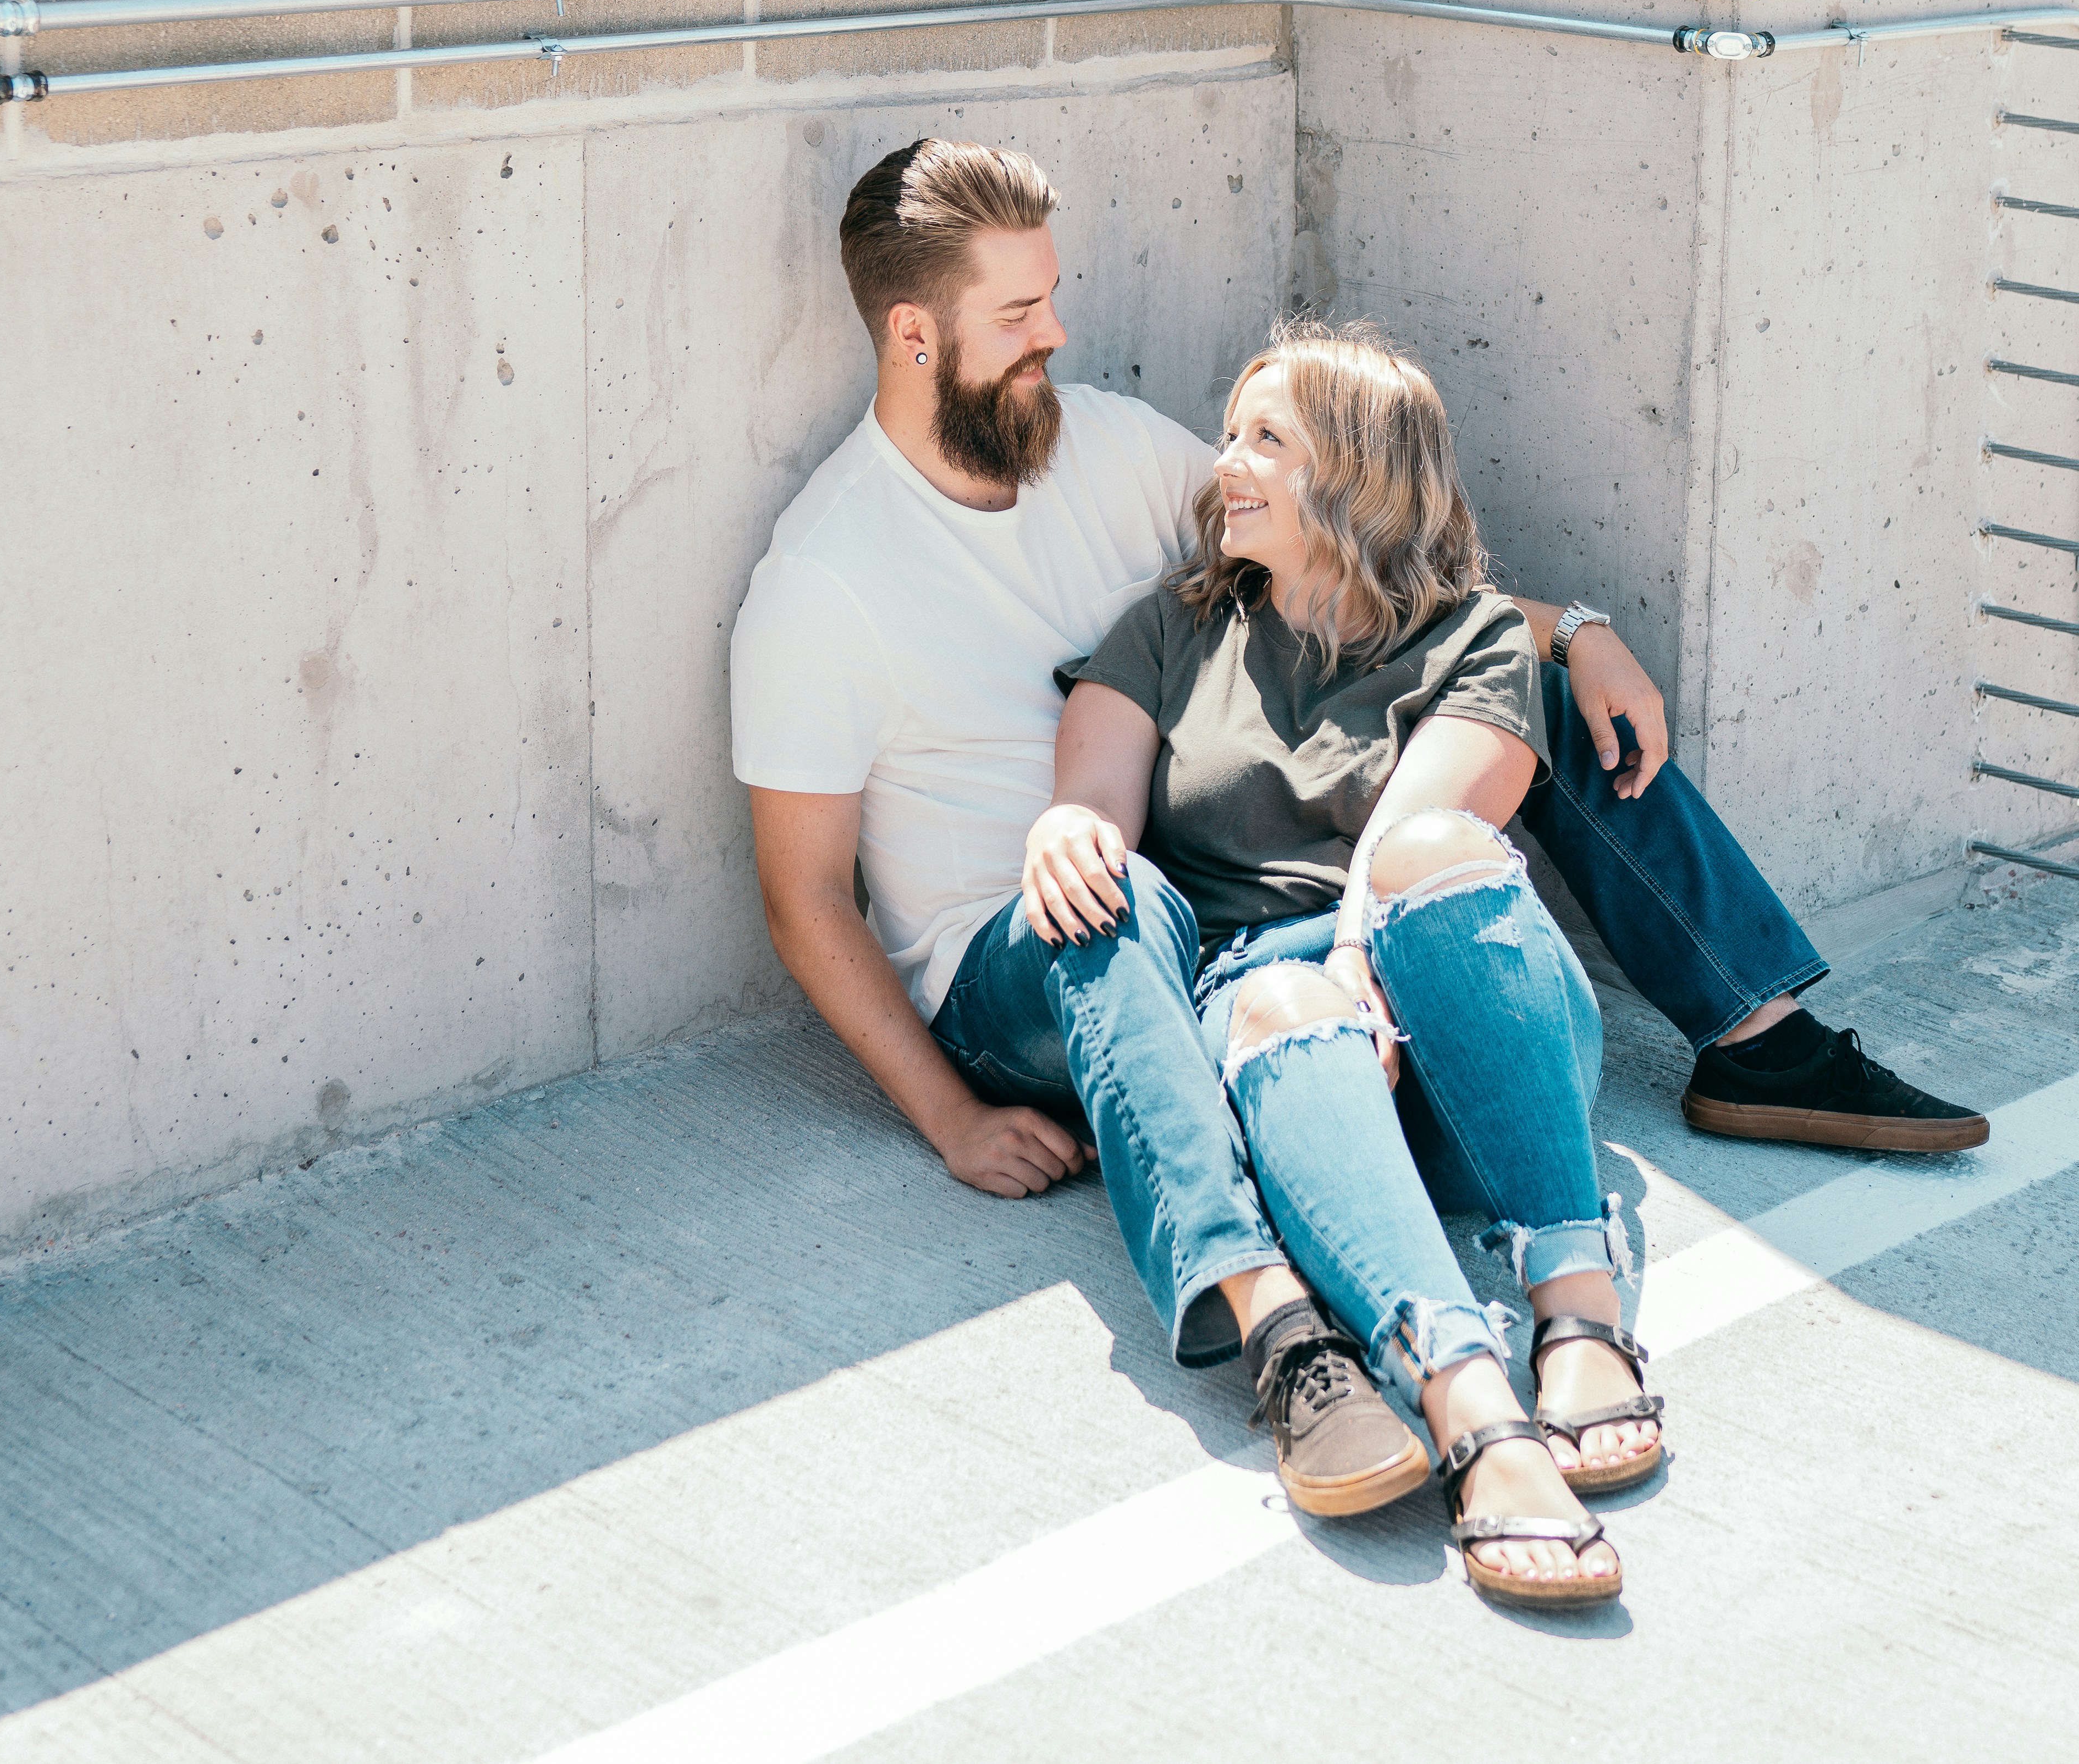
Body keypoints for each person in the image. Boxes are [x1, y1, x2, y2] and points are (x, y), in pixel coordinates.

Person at [731, 151, 1984, 1522]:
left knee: (1523, 692)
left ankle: (1751, 1038)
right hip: (1025, 950)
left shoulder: (1103, 445)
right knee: (1120, 899)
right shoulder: (827, 575)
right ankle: (1285, 1327)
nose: (1058, 336)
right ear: (915, 334)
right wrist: (953, 1117)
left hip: (1203, 904)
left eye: (1053, 298)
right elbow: (805, 901)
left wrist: (1573, 630)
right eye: (1019, 314)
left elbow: (1362, 566)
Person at [1030, 318, 1658, 1605]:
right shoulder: (1170, 629)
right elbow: (1094, 805)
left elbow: (1406, 847)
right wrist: (1060, 831)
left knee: (1432, 852)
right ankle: (1474, 1406)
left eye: (1266, 438)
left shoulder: (1478, 635)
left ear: (1362, 473)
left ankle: (1578, 1308)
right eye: (1228, 435)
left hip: (1465, 1027)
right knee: (1278, 990)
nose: (1227, 466)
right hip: (1288, 1051)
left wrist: (1361, 979)